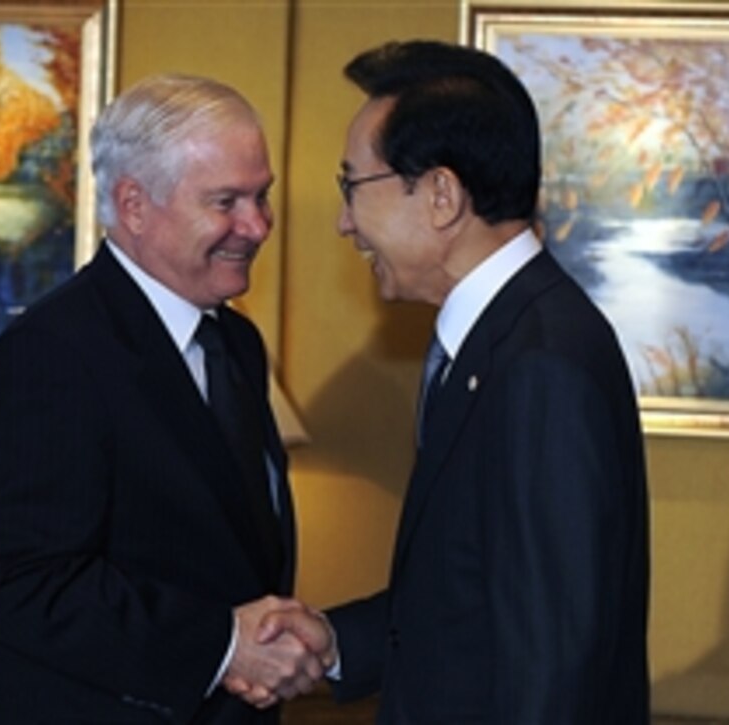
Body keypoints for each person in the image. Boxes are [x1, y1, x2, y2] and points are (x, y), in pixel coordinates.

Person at [258, 40, 651, 722]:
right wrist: (337, 641)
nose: (344, 221)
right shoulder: (500, 339)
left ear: (441, 194)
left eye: (353, 186)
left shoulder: (540, 364)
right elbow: (471, 600)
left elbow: (552, 666)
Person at [0, 74, 332, 724]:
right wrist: (223, 645)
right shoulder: (49, 353)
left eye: (261, 196)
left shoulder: (236, 342)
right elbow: (23, 582)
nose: (258, 225)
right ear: (133, 203)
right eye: (226, 201)